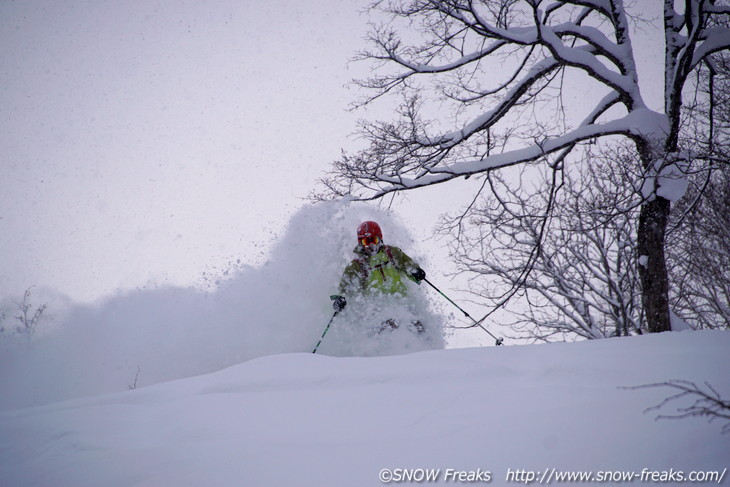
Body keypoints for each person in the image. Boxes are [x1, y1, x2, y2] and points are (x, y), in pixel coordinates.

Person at [330, 221, 427, 332]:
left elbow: (407, 265)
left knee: (418, 327)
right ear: (360, 243)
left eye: (374, 240)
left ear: (380, 239)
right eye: (366, 241)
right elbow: (345, 289)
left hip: (402, 301)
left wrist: (415, 271)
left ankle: (430, 348)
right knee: (390, 326)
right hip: (376, 309)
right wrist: (340, 300)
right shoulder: (356, 266)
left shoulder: (392, 253)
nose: (371, 245)